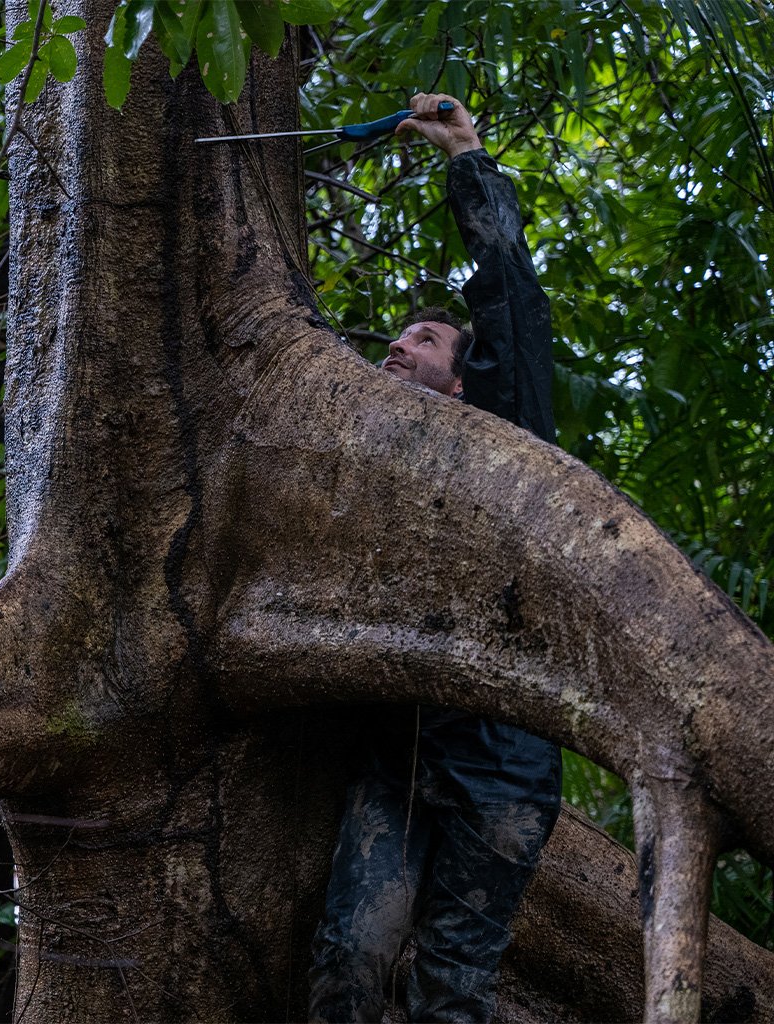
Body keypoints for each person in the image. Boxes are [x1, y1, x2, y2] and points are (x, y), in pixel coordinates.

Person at [307, 94, 562, 1023]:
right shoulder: (369, 474)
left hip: (502, 767)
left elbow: (513, 309)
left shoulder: (504, 437)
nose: (396, 344)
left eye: (424, 338)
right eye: (396, 334)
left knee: (454, 991)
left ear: (463, 378)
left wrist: (466, 156)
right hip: (395, 761)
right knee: (348, 961)